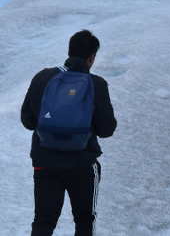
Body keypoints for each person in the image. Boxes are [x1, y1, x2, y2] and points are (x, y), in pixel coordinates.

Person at [21, 30, 117, 236]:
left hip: (45, 162)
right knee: (84, 221)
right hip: (82, 164)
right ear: (91, 58)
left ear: (69, 51)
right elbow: (107, 129)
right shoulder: (97, 84)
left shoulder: (43, 77)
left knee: (43, 222)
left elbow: (27, 121)